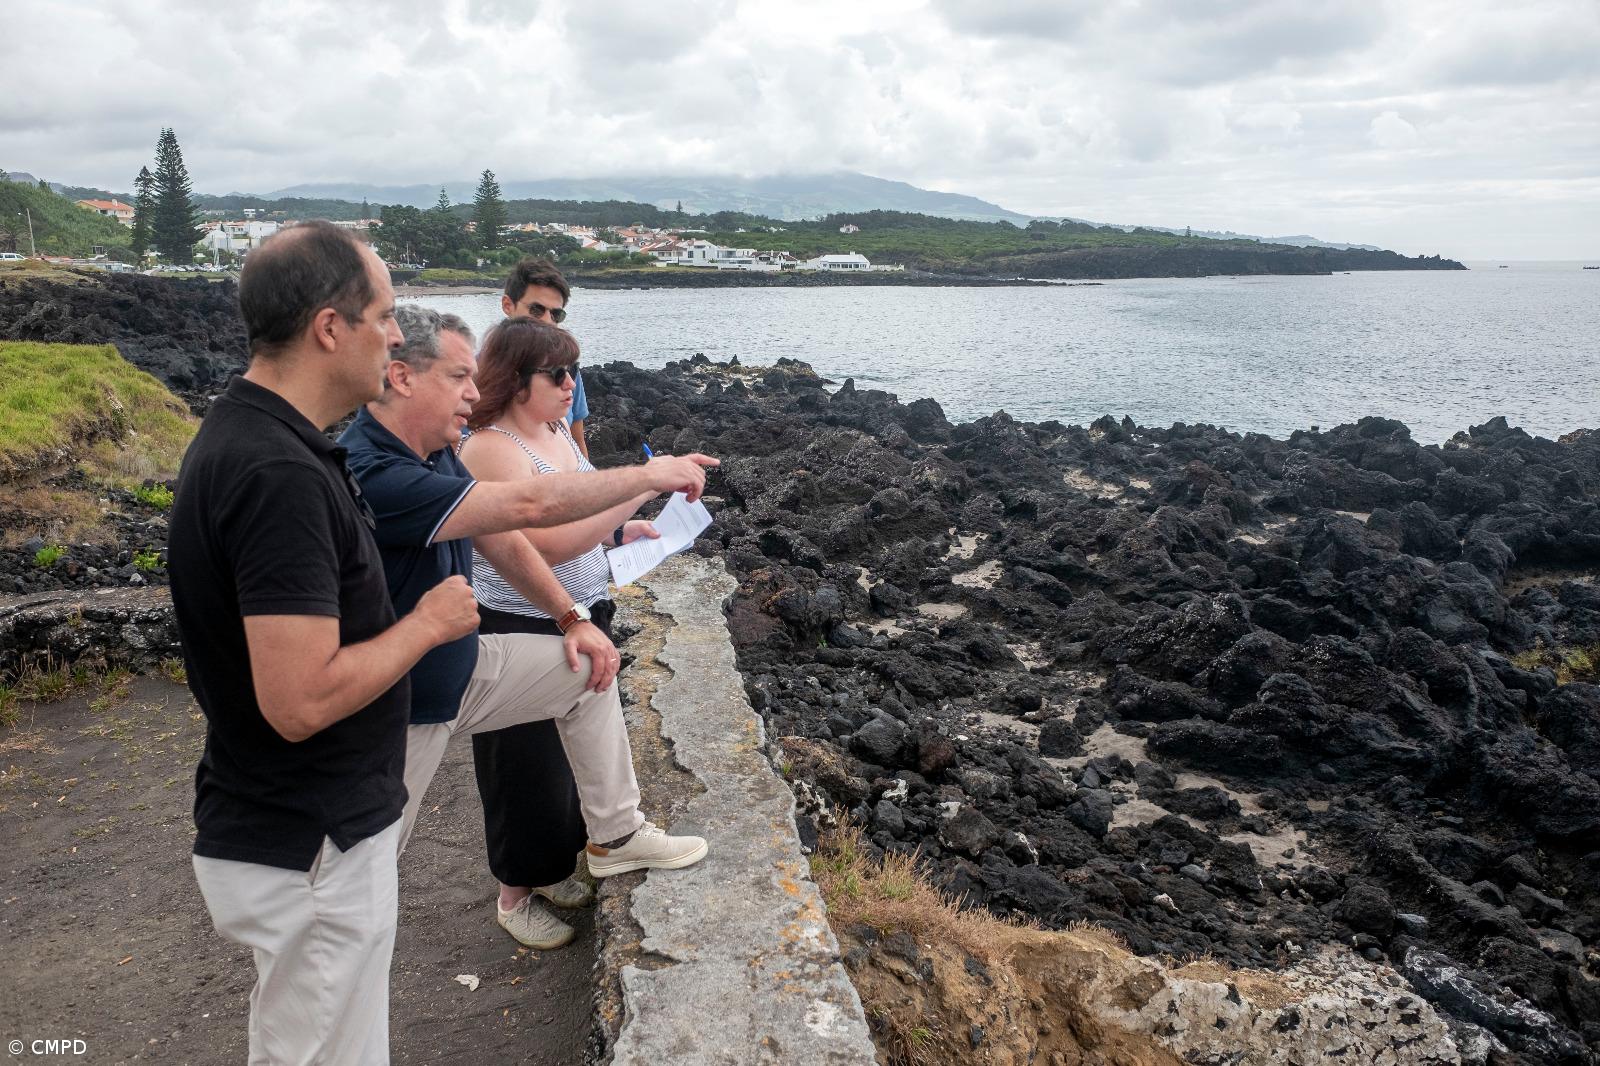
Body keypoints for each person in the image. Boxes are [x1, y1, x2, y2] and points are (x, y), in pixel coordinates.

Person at [169, 221, 481, 1064]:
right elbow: (299, 700)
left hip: (295, 827)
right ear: (329, 327)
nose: (394, 334)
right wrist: (427, 624)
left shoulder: (264, 439)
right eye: (382, 315)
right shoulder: (278, 475)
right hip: (312, 840)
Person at [339, 305, 716, 950]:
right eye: (460, 376)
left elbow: (502, 536)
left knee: (589, 671)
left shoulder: (432, 455)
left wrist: (571, 618)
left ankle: (618, 837)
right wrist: (650, 477)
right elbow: (533, 512)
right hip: (400, 696)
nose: (471, 390)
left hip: (455, 665)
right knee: (358, 881)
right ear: (400, 376)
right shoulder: (378, 469)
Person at [460, 315, 665, 947]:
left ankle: (552, 869)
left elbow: (581, 508)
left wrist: (616, 532)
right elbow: (546, 543)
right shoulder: (490, 447)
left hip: (581, 610)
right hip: (519, 616)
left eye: (574, 370)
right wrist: (641, 489)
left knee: (562, 764)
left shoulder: (553, 430)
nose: (571, 384)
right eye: (558, 373)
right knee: (521, 767)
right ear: (516, 379)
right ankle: (513, 895)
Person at [501, 258, 588, 456]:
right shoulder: (476, 374)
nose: (547, 321)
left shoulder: (568, 371)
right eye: (536, 310)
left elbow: (578, 441)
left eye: (556, 314)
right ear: (508, 305)